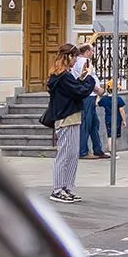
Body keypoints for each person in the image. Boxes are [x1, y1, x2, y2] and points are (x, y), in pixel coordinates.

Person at [45, 43, 97, 204]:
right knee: (65, 154)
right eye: (74, 57)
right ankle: (58, 188)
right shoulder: (62, 76)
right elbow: (79, 92)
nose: (76, 60)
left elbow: (75, 88)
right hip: (66, 118)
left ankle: (67, 187)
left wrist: (81, 78)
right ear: (68, 57)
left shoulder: (63, 76)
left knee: (73, 154)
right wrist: (88, 78)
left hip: (71, 116)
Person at [75, 44, 108, 160]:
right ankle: (83, 151)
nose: (93, 53)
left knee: (94, 123)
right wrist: (97, 90)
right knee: (86, 123)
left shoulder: (81, 61)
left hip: (90, 95)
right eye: (92, 51)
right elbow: (85, 79)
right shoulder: (84, 62)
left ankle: (98, 149)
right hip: (88, 95)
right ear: (87, 51)